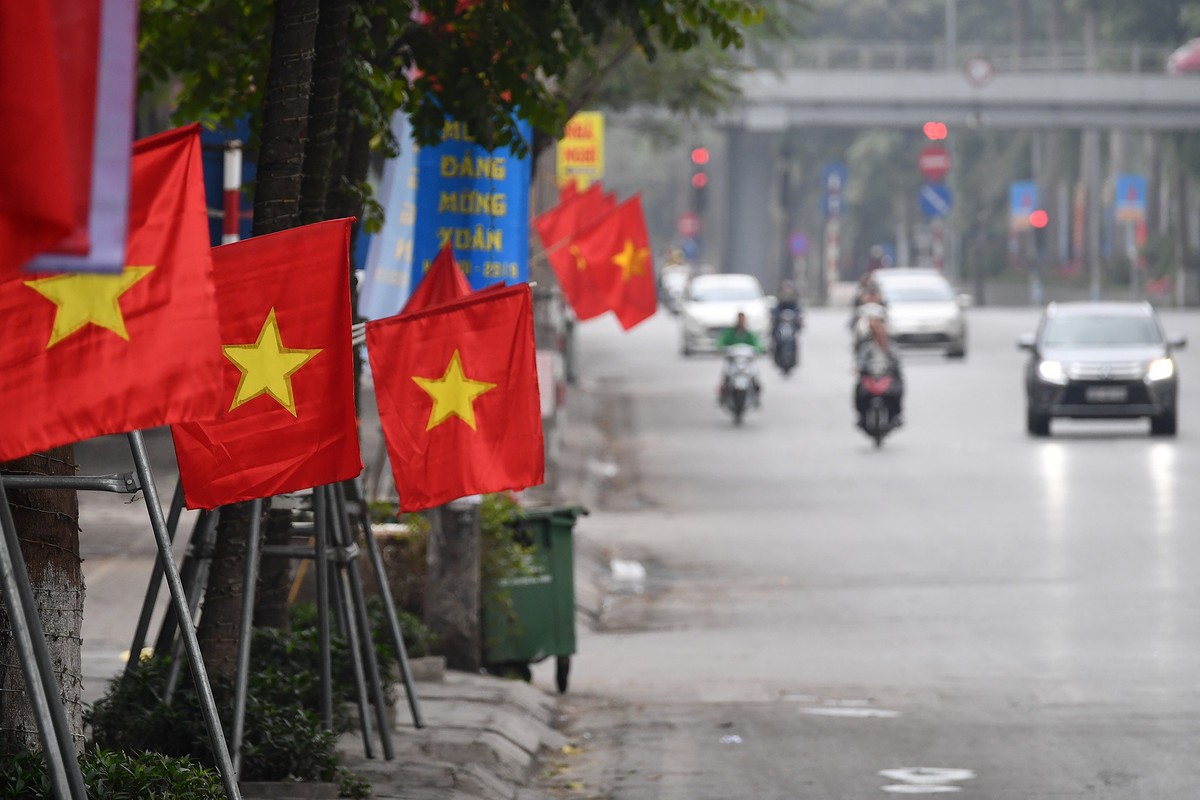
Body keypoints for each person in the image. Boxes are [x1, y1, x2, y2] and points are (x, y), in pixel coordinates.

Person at [854, 316, 903, 426]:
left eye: (881, 329)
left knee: (897, 391)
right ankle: (861, 416)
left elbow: (898, 361)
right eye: (876, 329)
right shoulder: (867, 346)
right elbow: (861, 360)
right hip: (871, 376)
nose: (879, 332)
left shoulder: (891, 345)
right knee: (860, 392)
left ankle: (896, 415)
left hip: (888, 376)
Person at [716, 312, 764, 405]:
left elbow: (757, 344)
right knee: (725, 376)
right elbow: (721, 341)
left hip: (745, 361)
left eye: (743, 320)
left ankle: (756, 397)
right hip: (733, 360)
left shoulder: (749, 333)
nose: (741, 322)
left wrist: (759, 349)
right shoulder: (730, 333)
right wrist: (721, 348)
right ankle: (723, 396)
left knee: (754, 376)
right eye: (739, 319)